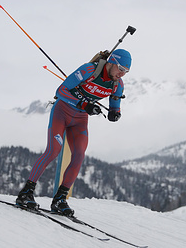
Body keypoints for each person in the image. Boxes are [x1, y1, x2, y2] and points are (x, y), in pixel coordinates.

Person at [16, 49, 132, 216]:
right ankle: (26, 193)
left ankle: (60, 200)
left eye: (126, 71)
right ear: (111, 62)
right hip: (62, 112)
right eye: (120, 68)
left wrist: (115, 113)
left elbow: (115, 105)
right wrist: (85, 105)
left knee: (79, 155)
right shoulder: (89, 70)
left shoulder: (117, 84)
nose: (122, 74)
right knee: (54, 150)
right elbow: (60, 91)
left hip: (80, 119)